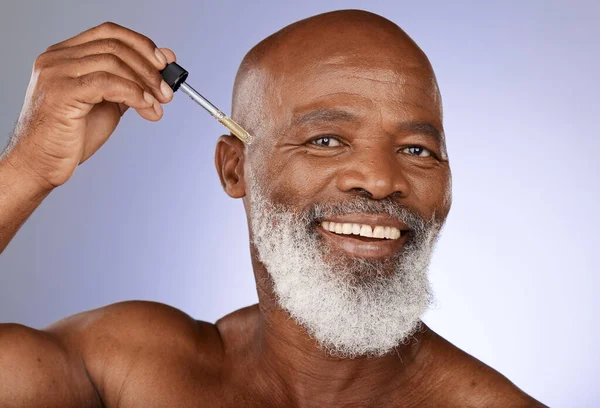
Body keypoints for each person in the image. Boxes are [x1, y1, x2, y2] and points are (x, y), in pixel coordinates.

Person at [0, 9, 546, 407]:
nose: (382, 180)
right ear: (235, 168)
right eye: (325, 140)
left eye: (416, 150)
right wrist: (28, 167)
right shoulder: (131, 375)